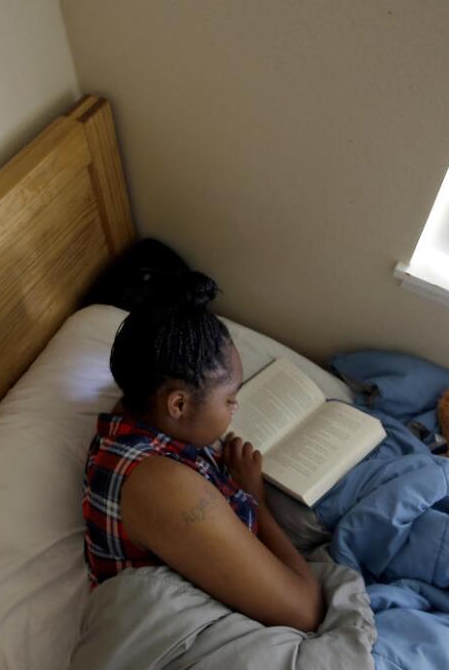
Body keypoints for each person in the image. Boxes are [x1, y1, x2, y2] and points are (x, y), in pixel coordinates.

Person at [82, 271, 326, 632]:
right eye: (229, 398)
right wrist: (254, 498)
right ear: (178, 404)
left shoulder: (136, 410)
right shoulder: (161, 486)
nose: (234, 409)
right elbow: (306, 611)